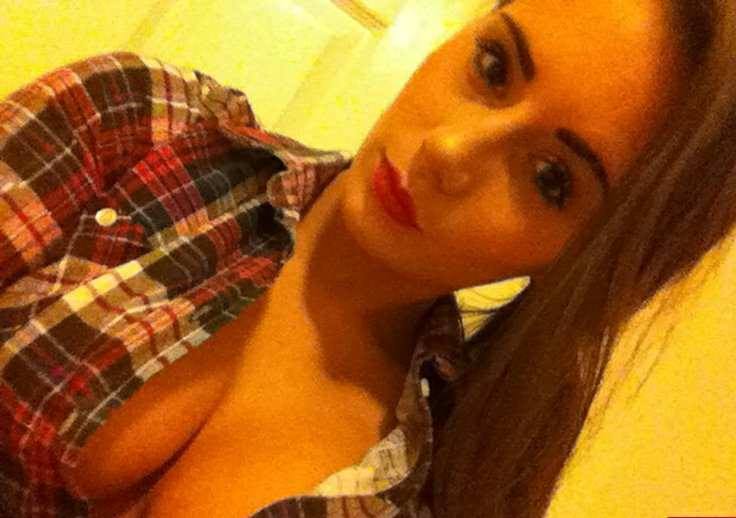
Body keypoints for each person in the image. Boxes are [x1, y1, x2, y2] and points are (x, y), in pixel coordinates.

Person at [0, 1, 731, 517]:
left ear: (585, 262)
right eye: (492, 66)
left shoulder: (436, 489)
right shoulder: (145, 124)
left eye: (550, 179)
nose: (449, 149)